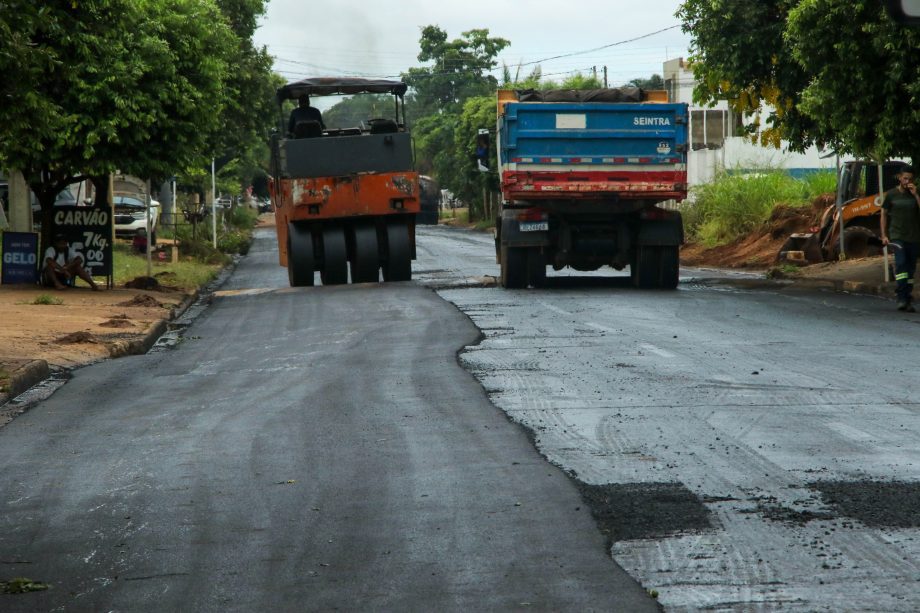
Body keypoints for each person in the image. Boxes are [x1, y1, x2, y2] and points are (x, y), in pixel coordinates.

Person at [881, 164, 920, 311]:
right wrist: (884, 235)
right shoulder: (891, 195)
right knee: (901, 263)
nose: (907, 181)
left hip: (914, 237)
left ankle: (905, 297)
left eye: (909, 179)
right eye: (904, 178)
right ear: (899, 178)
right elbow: (884, 214)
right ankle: (902, 297)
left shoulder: (916, 193)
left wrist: (916, 195)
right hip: (897, 236)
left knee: (910, 269)